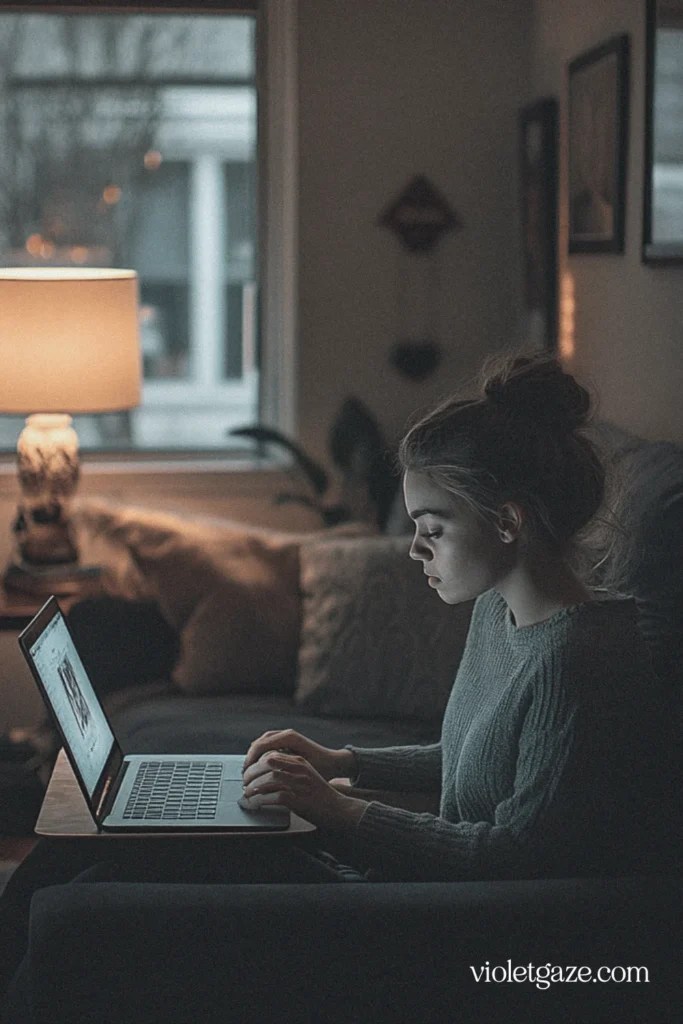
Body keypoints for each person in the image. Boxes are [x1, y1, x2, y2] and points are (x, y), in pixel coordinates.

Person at [1, 352, 679, 1005]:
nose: (414, 548)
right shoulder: (498, 611)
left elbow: (514, 860)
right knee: (75, 857)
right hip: (416, 883)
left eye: (433, 528)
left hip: (449, 923)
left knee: (79, 906)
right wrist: (340, 761)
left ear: (507, 522)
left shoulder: (578, 663)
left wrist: (339, 810)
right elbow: (469, 755)